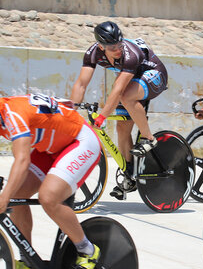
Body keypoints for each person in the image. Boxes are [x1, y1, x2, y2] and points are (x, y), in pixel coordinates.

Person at [0, 82, 102, 269]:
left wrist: (3, 198)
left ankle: (87, 250)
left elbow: (22, 160)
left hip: (79, 141)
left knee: (48, 198)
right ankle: (28, 261)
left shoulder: (12, 114)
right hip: (49, 148)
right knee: (16, 197)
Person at [71, 21, 169, 200]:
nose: (117, 50)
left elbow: (118, 89)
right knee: (122, 130)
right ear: (101, 46)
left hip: (154, 74)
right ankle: (130, 174)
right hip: (133, 81)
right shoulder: (92, 53)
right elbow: (81, 84)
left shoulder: (130, 54)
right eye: (112, 47)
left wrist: (102, 116)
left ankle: (149, 138)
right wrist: (71, 110)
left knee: (125, 96)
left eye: (119, 44)